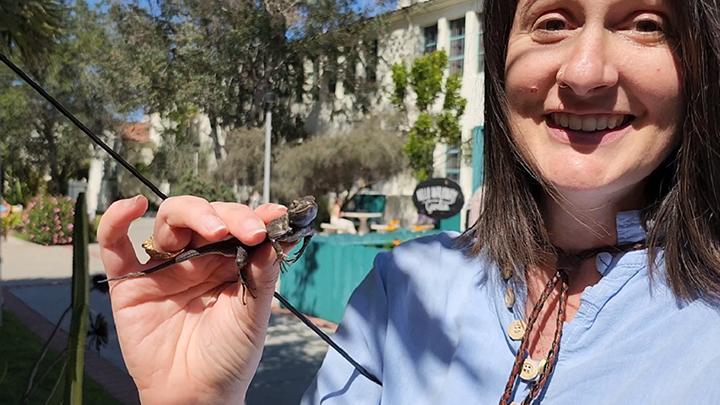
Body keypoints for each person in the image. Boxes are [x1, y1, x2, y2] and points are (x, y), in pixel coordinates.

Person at [97, 0, 720, 403]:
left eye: (645, 24)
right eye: (552, 22)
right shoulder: (403, 283)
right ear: (500, 60)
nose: (586, 74)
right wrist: (196, 399)